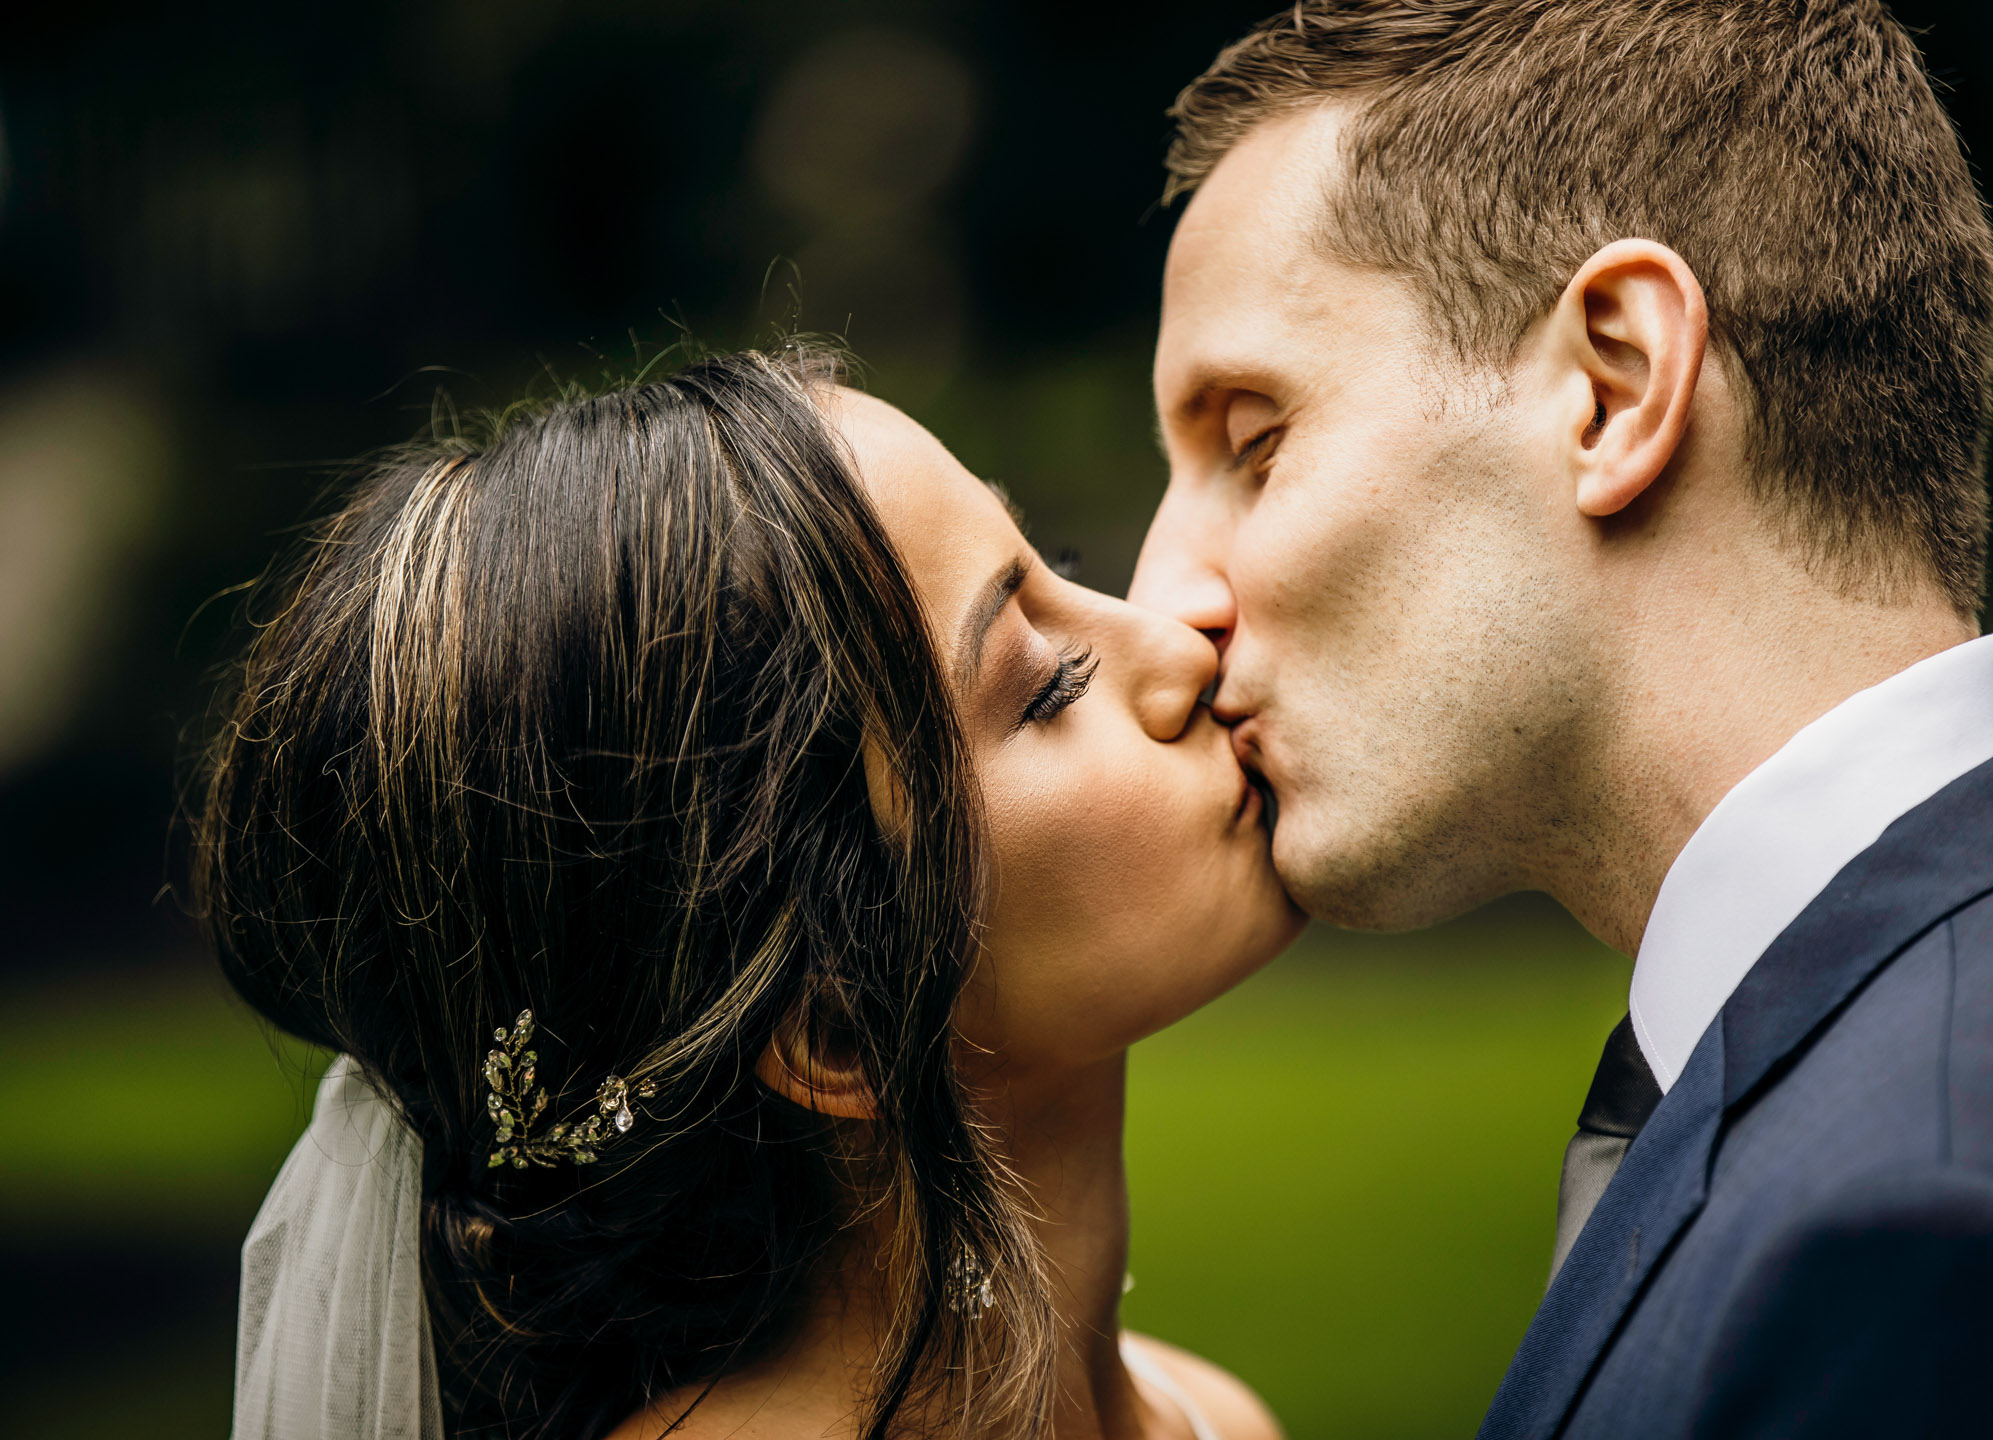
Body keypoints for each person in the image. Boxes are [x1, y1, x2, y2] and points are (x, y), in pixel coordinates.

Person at [1129, 2, 1993, 1436]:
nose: (1162, 594)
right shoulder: (1989, 1042)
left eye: (1255, 441)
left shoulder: (1937, 1233)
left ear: (1614, 385)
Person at [194, 347, 1300, 1440]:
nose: (1176, 645)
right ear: (839, 1025)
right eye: (1047, 685)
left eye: (1053, 561)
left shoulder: (1211, 1415)